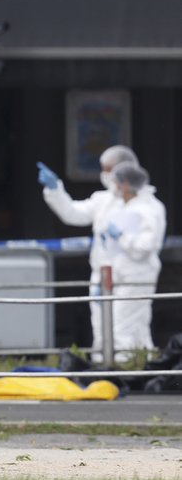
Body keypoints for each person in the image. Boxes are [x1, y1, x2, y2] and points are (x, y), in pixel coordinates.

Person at [36, 145, 138, 361]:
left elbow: (142, 247)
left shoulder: (143, 203)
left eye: (108, 169)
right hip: (101, 277)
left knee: (126, 329)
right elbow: (73, 214)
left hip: (128, 278)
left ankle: (132, 373)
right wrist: (55, 190)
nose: (105, 175)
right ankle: (104, 372)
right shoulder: (102, 200)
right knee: (101, 329)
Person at [102, 161, 166, 362]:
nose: (115, 187)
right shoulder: (131, 206)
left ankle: (126, 371)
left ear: (127, 184)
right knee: (137, 325)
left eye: (117, 182)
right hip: (127, 274)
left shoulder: (147, 209)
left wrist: (121, 237)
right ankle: (144, 368)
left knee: (123, 325)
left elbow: (145, 247)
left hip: (138, 274)